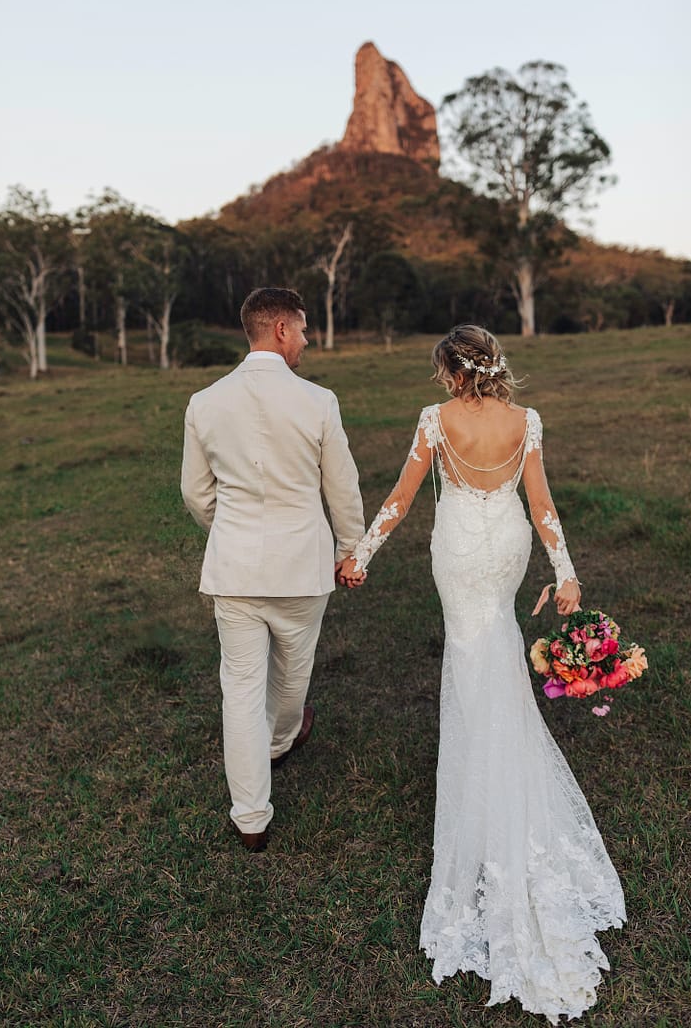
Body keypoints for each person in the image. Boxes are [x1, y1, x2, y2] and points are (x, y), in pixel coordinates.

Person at [338, 324, 626, 1024]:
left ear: (449, 369)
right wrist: (567, 574)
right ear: (492, 364)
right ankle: (501, 768)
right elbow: (543, 504)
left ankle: (481, 781)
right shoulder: (525, 422)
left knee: (472, 653)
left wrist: (362, 555)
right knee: (494, 642)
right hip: (508, 547)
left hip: (461, 548)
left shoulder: (435, 421)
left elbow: (404, 498)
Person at [181, 287, 364, 852]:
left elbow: (194, 492)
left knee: (238, 688)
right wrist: (348, 548)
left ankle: (251, 818)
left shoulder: (205, 401)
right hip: (301, 566)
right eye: (304, 330)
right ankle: (282, 741)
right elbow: (342, 486)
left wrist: (230, 530)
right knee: (292, 671)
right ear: (281, 329)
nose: (308, 341)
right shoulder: (319, 401)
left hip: (234, 568)